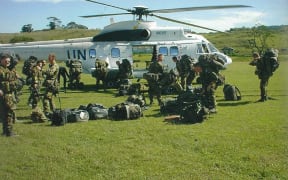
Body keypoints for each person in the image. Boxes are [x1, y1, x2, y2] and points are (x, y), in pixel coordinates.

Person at [0, 53, 18, 136]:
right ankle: (9, 132)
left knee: (5, 112)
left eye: (9, 60)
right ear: (1, 60)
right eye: (6, 60)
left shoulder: (6, 69)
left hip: (8, 93)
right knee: (9, 112)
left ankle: (5, 131)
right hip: (4, 94)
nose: (8, 61)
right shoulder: (1, 69)